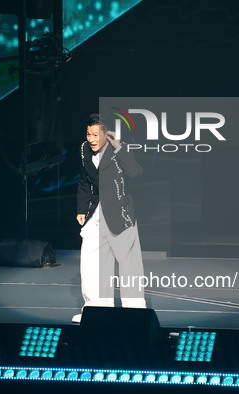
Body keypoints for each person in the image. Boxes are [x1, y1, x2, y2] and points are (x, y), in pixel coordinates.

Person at [73, 114, 147, 323]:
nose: (91, 138)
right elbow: (84, 181)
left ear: (107, 134)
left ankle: (134, 312)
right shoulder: (84, 149)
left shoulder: (118, 149)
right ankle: (96, 310)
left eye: (96, 134)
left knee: (128, 264)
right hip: (95, 214)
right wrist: (81, 208)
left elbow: (134, 172)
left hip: (120, 214)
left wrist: (119, 146)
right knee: (91, 263)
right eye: (88, 134)